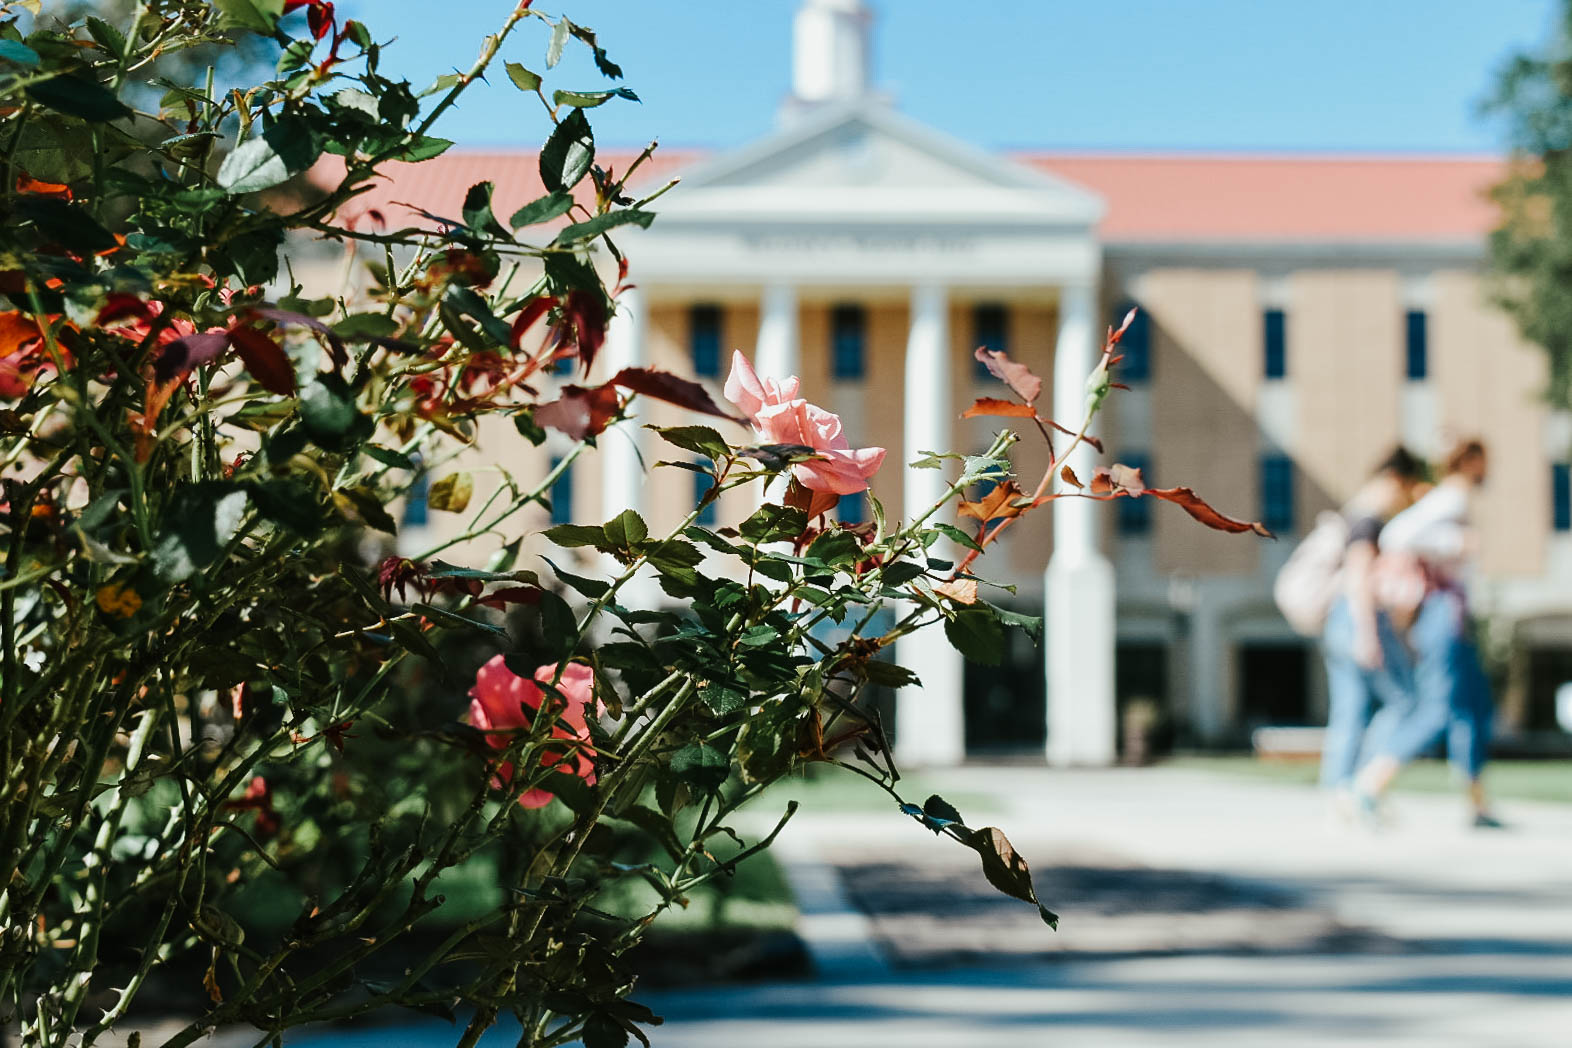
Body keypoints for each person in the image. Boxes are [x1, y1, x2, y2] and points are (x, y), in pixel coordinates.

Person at [1355, 439, 1502, 828]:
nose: (1488, 470)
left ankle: (1477, 804)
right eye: (1484, 461)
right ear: (1470, 461)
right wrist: (1457, 543)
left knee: (1473, 708)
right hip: (1441, 616)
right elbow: (1397, 535)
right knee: (1438, 709)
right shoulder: (1451, 496)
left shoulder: (1452, 496)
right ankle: (1369, 784)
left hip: (1454, 616)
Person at [1318, 447, 1427, 814]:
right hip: (1359, 619)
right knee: (1405, 701)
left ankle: (1339, 793)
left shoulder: (1353, 514)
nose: (1404, 500)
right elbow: (1359, 577)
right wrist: (1368, 633)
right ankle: (1365, 783)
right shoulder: (1368, 520)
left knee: (1349, 710)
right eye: (1406, 489)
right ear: (1394, 480)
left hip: (1339, 620)